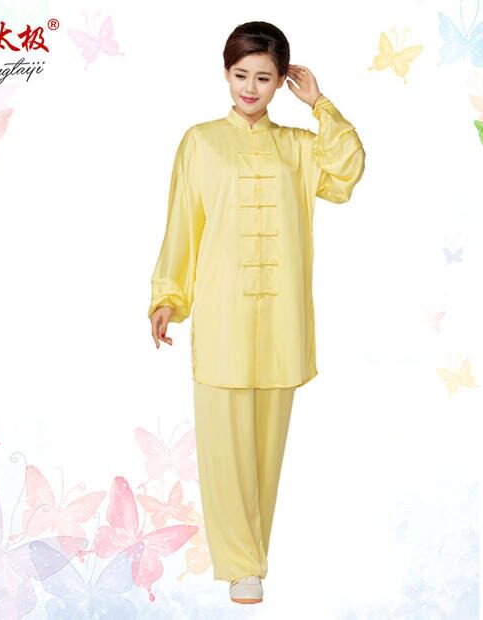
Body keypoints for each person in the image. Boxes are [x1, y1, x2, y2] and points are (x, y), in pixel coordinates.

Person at [148, 21, 366, 604]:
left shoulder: (299, 148)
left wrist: (320, 105)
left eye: (264, 78)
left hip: (282, 318)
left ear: (280, 81)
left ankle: (251, 560)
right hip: (222, 313)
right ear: (226, 73)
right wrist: (169, 295)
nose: (250, 87)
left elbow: (346, 173)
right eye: (241, 74)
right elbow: (183, 223)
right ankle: (241, 564)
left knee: (266, 452)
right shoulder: (200, 142)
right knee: (225, 448)